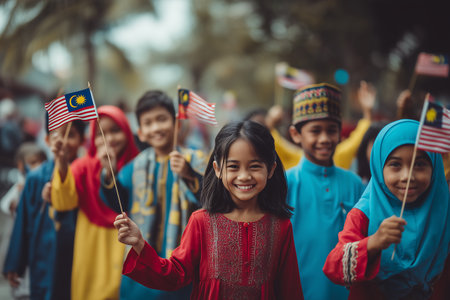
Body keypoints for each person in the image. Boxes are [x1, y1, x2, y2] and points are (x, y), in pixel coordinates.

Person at [113, 120, 304, 299]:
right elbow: (174, 275)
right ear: (218, 169)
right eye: (233, 166)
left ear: (270, 169)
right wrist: (138, 243)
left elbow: (291, 289)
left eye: (254, 166)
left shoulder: (281, 226)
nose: (244, 176)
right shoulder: (201, 221)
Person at [323, 119, 450, 299]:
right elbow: (332, 267)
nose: (407, 176)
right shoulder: (364, 213)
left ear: (435, 167)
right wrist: (373, 242)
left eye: (420, 164)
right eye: (395, 165)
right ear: (378, 166)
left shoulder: (444, 210)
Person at [100, 90, 208, 299]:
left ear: (176, 124)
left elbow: (212, 202)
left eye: (161, 119)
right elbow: (118, 204)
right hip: (143, 262)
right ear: (140, 132)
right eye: (148, 123)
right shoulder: (135, 166)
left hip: (183, 264)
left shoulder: (196, 159)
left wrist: (188, 174)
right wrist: (108, 172)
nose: (156, 127)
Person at [50, 106, 139, 300]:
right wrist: (62, 163)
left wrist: (113, 173)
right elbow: (63, 202)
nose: (108, 139)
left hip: (127, 244)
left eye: (115, 131)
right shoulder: (83, 167)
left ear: (127, 131)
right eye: (100, 134)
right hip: (91, 246)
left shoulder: (140, 166)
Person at [286, 83, 365, 300]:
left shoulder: (355, 183)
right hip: (297, 291)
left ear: (340, 133)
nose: (324, 139)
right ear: (295, 134)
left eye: (331, 130)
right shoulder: (285, 182)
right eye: (315, 130)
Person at [3, 120, 85, 300]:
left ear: (82, 140)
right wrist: (15, 262)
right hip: (42, 252)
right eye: (57, 135)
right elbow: (22, 220)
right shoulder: (35, 177)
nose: (63, 141)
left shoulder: (86, 174)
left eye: (70, 135)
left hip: (76, 254)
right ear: (47, 140)